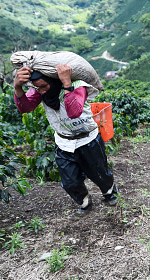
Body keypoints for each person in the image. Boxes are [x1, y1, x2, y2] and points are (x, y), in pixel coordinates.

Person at [13, 63, 119, 215]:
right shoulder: (40, 90)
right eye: (39, 88)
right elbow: (25, 108)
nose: (42, 91)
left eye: (44, 86)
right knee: (70, 182)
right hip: (64, 142)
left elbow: (74, 111)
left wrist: (67, 84)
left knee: (99, 173)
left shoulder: (78, 86)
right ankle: (85, 201)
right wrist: (17, 88)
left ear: (54, 82)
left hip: (87, 139)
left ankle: (110, 192)